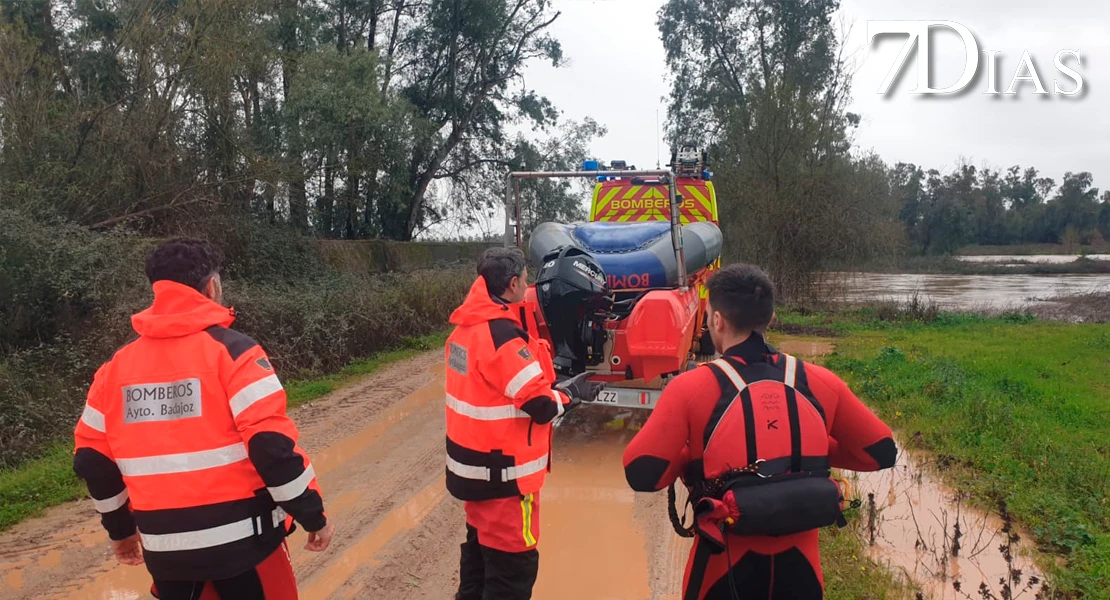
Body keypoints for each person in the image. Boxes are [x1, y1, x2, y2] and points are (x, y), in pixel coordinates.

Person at [73, 239, 334, 600]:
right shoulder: (237, 353)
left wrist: (120, 531)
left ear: (156, 289)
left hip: (166, 553)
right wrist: (312, 515)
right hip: (247, 546)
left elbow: (92, 460)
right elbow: (270, 446)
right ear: (212, 286)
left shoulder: (114, 369)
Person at [622, 264, 897, 600]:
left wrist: (693, 457)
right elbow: (881, 452)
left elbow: (642, 472)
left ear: (717, 320)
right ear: (771, 318)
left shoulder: (689, 388)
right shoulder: (821, 382)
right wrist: (806, 451)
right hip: (802, 575)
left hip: (721, 573)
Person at [445, 246, 604, 600]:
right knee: (512, 572)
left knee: (478, 559)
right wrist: (572, 393)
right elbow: (540, 406)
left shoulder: (464, 331)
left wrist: (552, 384)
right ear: (513, 284)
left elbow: (495, 387)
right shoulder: (502, 338)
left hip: (472, 470)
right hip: (504, 478)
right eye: (526, 279)